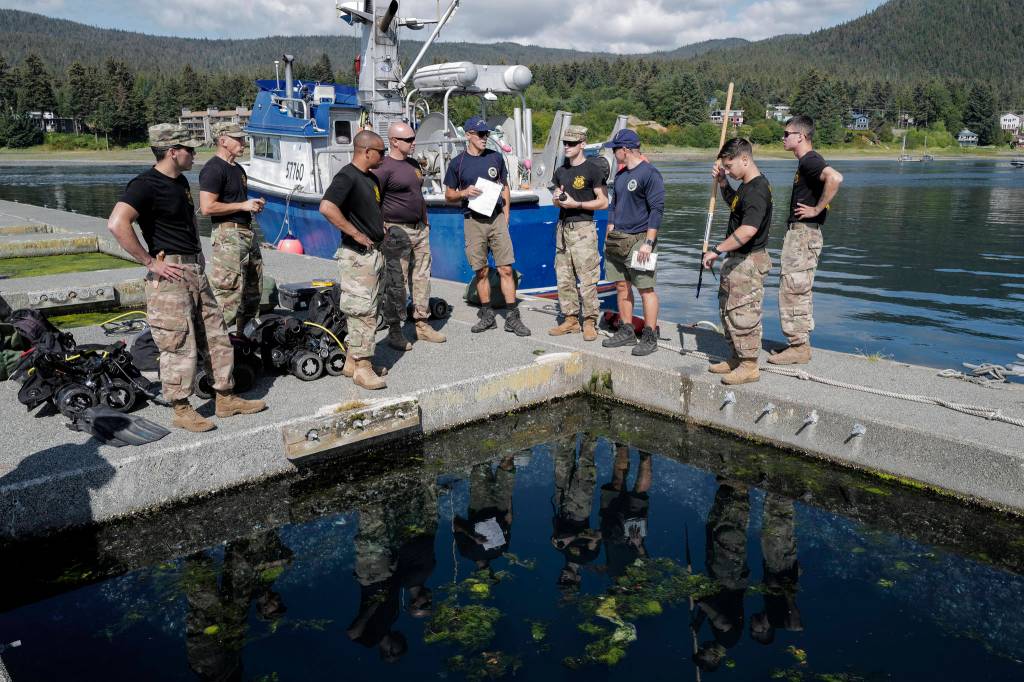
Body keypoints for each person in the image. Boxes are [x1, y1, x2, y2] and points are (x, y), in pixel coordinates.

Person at [107, 123, 266, 433]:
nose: (195, 154)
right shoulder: (145, 184)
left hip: (194, 270)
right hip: (171, 274)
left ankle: (225, 397)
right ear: (172, 152)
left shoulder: (179, 182)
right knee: (177, 341)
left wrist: (198, 256)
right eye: (190, 149)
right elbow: (117, 223)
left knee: (216, 334)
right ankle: (181, 408)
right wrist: (150, 262)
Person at [443, 116, 530, 337]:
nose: (485, 138)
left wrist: (506, 214)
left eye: (487, 134)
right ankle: (487, 314)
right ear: (468, 135)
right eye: (481, 134)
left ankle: (512, 316)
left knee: (506, 268)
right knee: (480, 271)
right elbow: (448, 195)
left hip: (496, 219)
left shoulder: (496, 158)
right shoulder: (457, 163)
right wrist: (464, 192)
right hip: (473, 220)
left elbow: (505, 188)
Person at [770, 114, 843, 365]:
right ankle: (798, 343)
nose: (783, 138)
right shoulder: (805, 162)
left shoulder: (810, 160)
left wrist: (816, 209)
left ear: (801, 136)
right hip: (803, 234)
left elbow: (835, 178)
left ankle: (799, 346)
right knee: (798, 288)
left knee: (792, 288)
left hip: (803, 234)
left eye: (786, 134)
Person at [319, 130, 390, 390]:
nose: (383, 156)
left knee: (370, 308)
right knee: (363, 311)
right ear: (366, 151)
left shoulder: (371, 179)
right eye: (381, 152)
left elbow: (370, 211)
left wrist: (380, 229)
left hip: (374, 254)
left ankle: (352, 360)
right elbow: (327, 207)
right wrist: (356, 233)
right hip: (357, 257)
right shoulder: (347, 176)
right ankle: (363, 367)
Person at [702, 138, 773, 385]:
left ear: (745, 159)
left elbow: (748, 230)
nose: (728, 170)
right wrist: (723, 183)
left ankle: (749, 365)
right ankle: (736, 356)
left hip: (749, 261)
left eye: (730, 166)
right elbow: (734, 204)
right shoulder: (744, 185)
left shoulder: (757, 190)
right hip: (736, 260)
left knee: (744, 312)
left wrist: (716, 250)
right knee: (728, 310)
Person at [374, 121, 446, 350]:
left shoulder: (414, 164)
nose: (414, 143)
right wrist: (381, 227)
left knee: (422, 277)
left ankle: (421, 323)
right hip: (397, 231)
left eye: (414, 138)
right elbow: (373, 201)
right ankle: (395, 331)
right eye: (409, 140)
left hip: (419, 229)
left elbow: (417, 195)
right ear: (394, 141)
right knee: (397, 282)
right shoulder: (383, 168)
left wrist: (425, 220)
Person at [601, 129, 664, 356]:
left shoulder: (650, 174)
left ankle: (649, 334)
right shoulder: (620, 175)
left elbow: (657, 210)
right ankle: (627, 330)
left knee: (645, 288)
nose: (613, 152)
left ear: (625, 149)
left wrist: (649, 242)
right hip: (618, 239)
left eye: (615, 149)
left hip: (640, 240)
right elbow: (613, 205)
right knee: (621, 285)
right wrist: (610, 228)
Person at [199, 121, 265, 334]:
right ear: (223, 140)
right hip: (228, 235)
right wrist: (242, 205)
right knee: (228, 293)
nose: (243, 142)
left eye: (243, 138)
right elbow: (207, 207)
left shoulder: (237, 169)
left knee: (252, 291)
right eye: (238, 139)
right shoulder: (213, 169)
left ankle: (243, 340)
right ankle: (216, 344)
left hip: (246, 232)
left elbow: (235, 202)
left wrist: (251, 206)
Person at [548, 125, 608, 341]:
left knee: (587, 277)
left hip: (583, 228)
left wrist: (576, 204)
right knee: (564, 277)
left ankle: (590, 320)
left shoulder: (593, 170)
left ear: (582, 144)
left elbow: (603, 202)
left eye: (572, 143)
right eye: (565, 143)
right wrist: (558, 199)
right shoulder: (561, 171)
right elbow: (556, 203)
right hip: (562, 229)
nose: (567, 146)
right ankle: (571, 319)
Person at [551, 435, 601, 592]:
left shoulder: (560, 549)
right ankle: (591, 428)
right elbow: (597, 535)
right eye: (568, 582)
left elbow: (556, 531)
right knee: (585, 466)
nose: (563, 578)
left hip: (563, 505)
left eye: (561, 580)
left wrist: (556, 538)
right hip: (580, 509)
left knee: (563, 462)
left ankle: (568, 430)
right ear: (578, 579)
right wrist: (573, 538)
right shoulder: (588, 557)